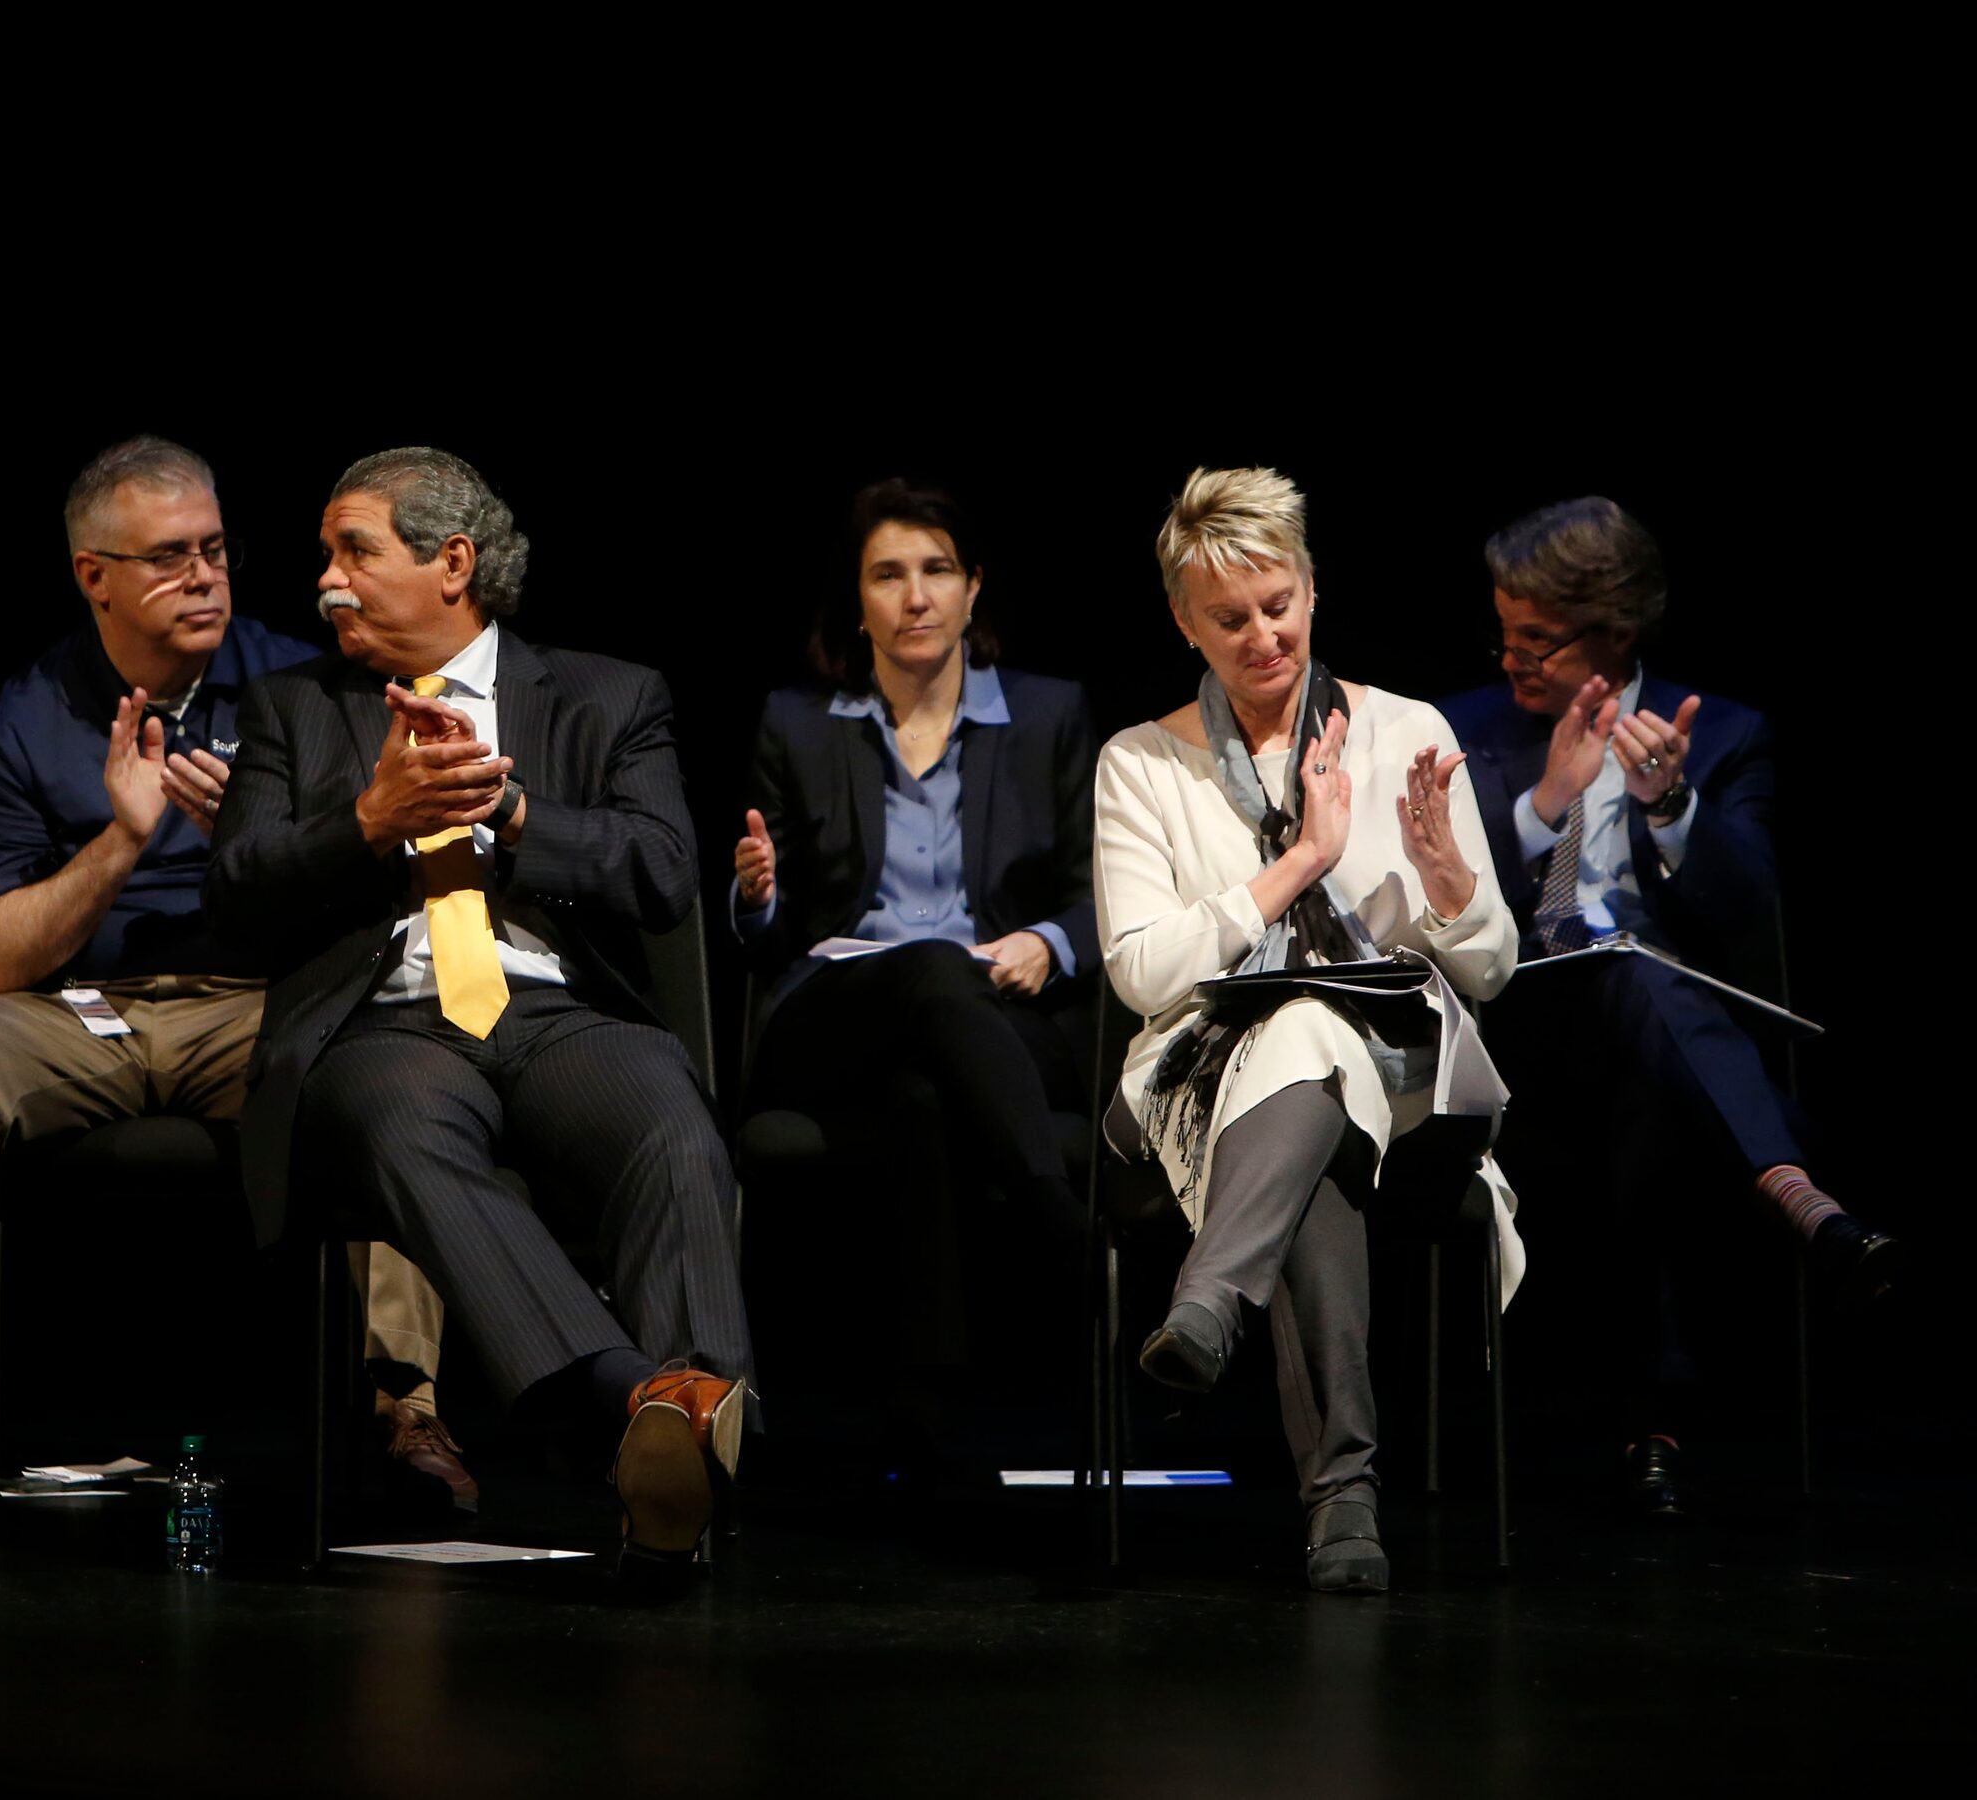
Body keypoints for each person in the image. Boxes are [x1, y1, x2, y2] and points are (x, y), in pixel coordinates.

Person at [0, 436, 469, 1509]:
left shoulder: (307, 692)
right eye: (168, 557)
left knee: (394, 1065)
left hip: (254, 1006)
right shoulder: (19, 721)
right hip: (71, 1013)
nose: (204, 576)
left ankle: (407, 1413)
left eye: (214, 549)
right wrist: (120, 842)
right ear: (93, 576)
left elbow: (374, 893)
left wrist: (261, 844)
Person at [206, 446, 753, 1581]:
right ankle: (648, 1411)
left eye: (355, 551)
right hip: (390, 1021)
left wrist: (508, 809)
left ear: (453, 563)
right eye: (326, 555)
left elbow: (660, 874)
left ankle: (675, 1484)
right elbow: (239, 891)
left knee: (667, 1118)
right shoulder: (295, 708)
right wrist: (369, 819)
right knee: (404, 1127)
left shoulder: (608, 695)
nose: (329, 582)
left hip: (558, 1013)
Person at [1094, 467, 1521, 1593]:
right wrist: (1298, 867)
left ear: (1313, 591)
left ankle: (1208, 1301)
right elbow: (1144, 977)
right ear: (1185, 622)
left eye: (1278, 603)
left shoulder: (1405, 731)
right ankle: (1344, 1509)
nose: (1262, 634)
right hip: (1210, 1079)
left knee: (1317, 1034)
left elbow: (1490, 966)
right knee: (1302, 1054)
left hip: (1407, 1087)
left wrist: (1445, 880)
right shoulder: (1140, 762)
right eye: (1229, 618)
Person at [1439, 495, 1895, 1513]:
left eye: (1537, 641)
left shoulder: (1721, 734)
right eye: (1503, 634)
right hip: (1515, 1033)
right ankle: (1798, 1197)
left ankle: (1650, 1425)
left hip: (1662, 1058)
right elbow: (1438, 913)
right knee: (1631, 974)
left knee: (1644, 995)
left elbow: (1749, 913)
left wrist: (1672, 807)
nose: (1512, 658)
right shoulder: (1462, 731)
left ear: (1614, 632)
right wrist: (1542, 806)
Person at [731, 478, 1097, 1369]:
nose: (916, 596)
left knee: (925, 1098)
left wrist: (1046, 943)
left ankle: (922, 1418)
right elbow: (770, 944)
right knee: (930, 967)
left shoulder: (1049, 715)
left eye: (937, 570)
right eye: (888, 575)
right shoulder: (800, 723)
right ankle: (1064, 1228)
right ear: (858, 603)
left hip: (1000, 1010)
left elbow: (1105, 897)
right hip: (836, 1014)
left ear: (974, 587)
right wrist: (759, 898)